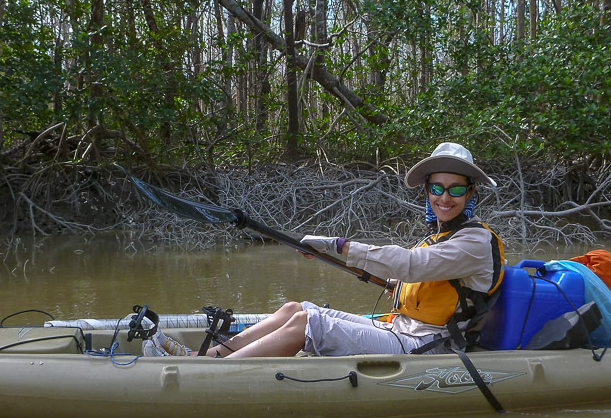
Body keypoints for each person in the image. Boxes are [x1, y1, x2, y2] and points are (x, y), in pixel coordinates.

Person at [203, 142, 505, 358]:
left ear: (471, 192)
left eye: (455, 188)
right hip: (402, 328)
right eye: (437, 188)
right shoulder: (439, 237)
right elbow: (421, 278)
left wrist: (338, 245)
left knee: (311, 324)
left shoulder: (475, 242)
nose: (445, 197)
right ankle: (209, 355)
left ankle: (213, 374)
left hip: (430, 345)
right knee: (296, 309)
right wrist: (395, 287)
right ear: (427, 191)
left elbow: (412, 265)